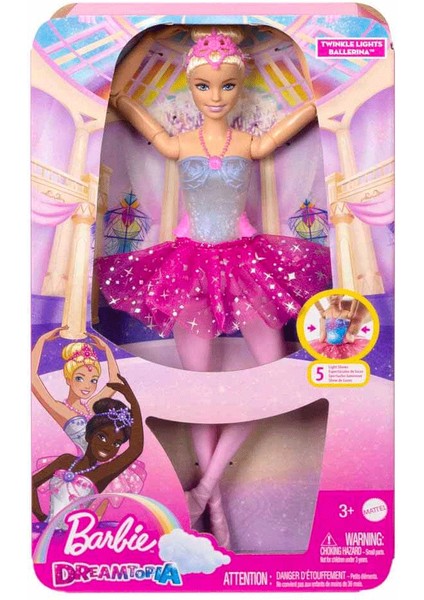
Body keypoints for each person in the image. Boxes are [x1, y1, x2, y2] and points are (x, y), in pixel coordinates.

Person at [96, 26, 332, 547]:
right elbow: (140, 120)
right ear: (191, 87)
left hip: (247, 261)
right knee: (196, 383)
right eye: (204, 86)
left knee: (275, 373)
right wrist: (119, 90)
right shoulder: (179, 142)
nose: (216, 96)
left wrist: (326, 95)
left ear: (240, 86)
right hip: (188, 264)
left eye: (226, 85)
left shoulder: (247, 143)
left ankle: (205, 486)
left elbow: (290, 125)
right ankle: (214, 500)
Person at [32, 327, 146, 501]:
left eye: (93, 380)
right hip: (83, 465)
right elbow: (32, 378)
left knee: (96, 505)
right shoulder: (60, 409)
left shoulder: (92, 405)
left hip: (104, 461)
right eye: (80, 378)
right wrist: (41, 341)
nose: (87, 386)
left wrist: (106, 350)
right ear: (68, 379)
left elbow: (115, 381)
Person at [32, 375, 144, 529]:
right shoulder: (65, 461)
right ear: (89, 435)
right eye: (102, 437)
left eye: (116, 443)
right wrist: (41, 516)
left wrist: (133, 402)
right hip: (46, 531)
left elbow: (135, 449)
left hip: (72, 537)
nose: (108, 446)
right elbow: (31, 483)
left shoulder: (101, 474)